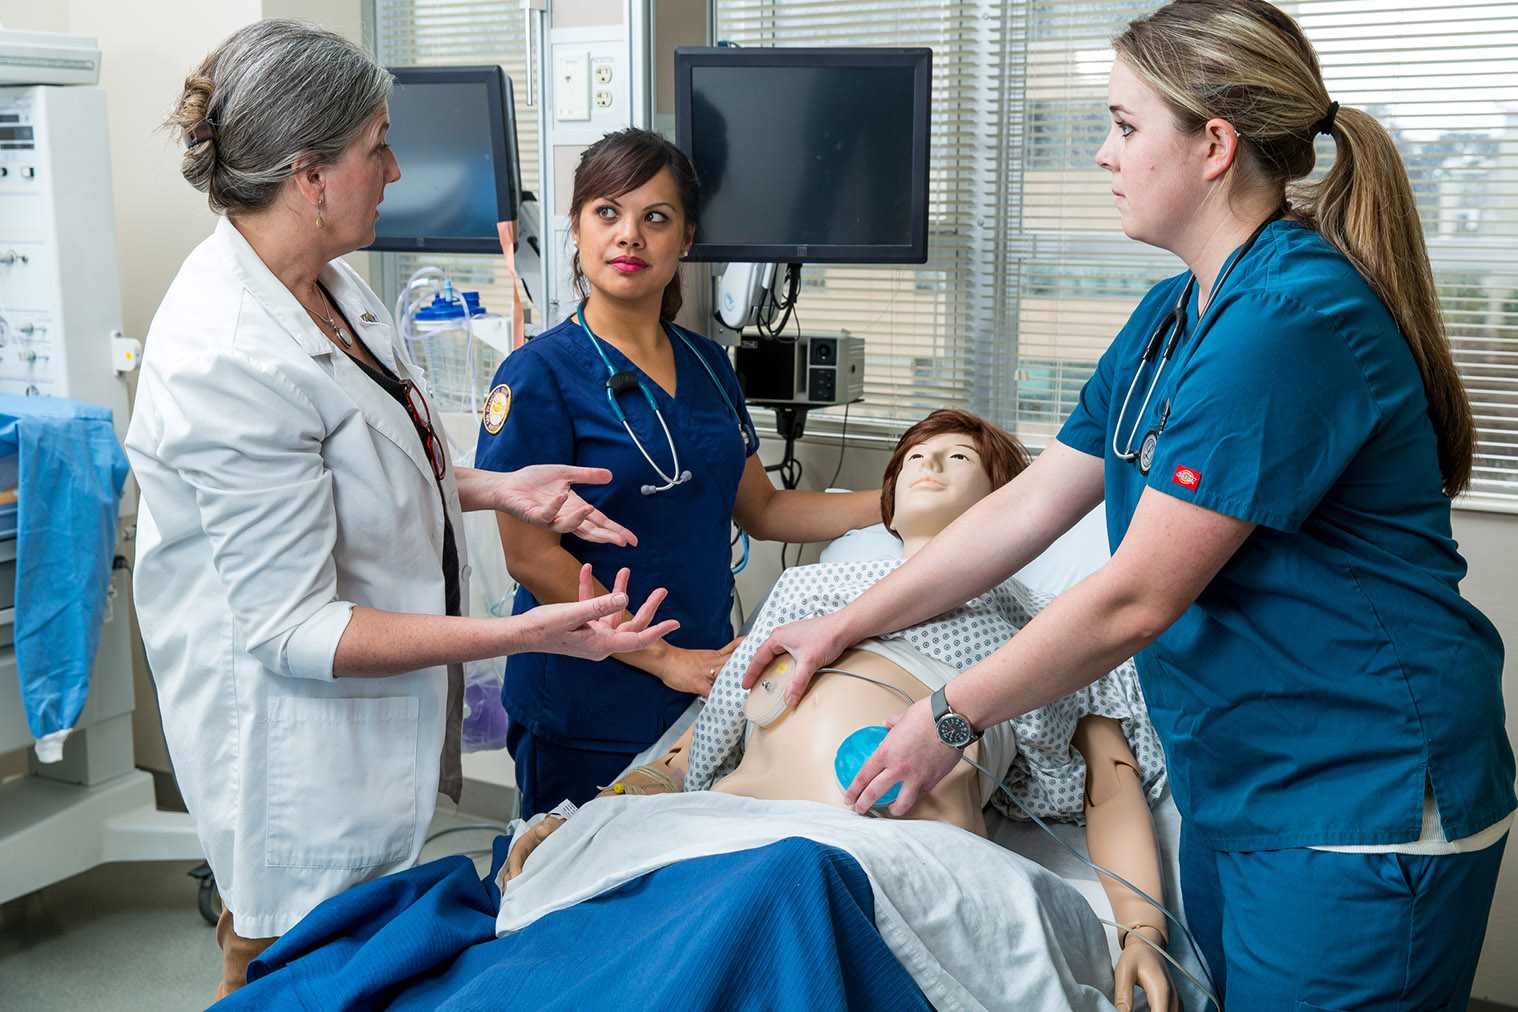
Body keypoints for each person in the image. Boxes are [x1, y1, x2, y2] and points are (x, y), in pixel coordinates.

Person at [744, 3, 1517, 1010]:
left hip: (1358, 794)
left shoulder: (1289, 320)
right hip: (1249, 786)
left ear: (1214, 145)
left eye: (1122, 125)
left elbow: (1134, 598)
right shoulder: (1172, 316)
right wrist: (840, 622)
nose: (1103, 155)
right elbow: (1024, 512)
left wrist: (949, 717)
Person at [127, 21, 676, 998]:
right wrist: (521, 633)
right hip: (291, 737)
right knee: (288, 956)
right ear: (308, 174)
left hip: (361, 722)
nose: (393, 167)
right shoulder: (228, 351)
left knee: (357, 938)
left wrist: (500, 486)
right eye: (376, 144)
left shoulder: (334, 289)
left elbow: (366, 470)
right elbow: (292, 626)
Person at [508, 410, 1177, 1012]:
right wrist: (603, 807)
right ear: (886, 508)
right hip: (717, 833)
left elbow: (1111, 786)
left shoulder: (1049, 629)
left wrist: (1142, 931)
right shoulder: (806, 592)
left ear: (1012, 503)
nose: (929, 464)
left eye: (958, 458)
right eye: (914, 457)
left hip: (878, 861)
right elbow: (692, 754)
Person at [474, 127, 881, 819]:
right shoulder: (538, 375)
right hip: (588, 696)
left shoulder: (708, 365)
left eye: (654, 218)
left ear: (686, 238)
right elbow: (529, 557)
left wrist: (895, 501)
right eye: (607, 213)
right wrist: (665, 660)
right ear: (576, 228)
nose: (629, 236)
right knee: (568, 892)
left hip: (706, 678)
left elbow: (762, 510)